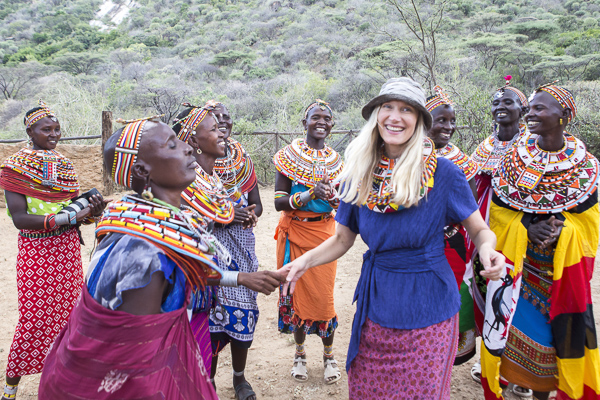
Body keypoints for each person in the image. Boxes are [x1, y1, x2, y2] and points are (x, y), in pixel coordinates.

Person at [280, 78, 505, 399]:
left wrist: (487, 250)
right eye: (387, 107)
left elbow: (479, 230)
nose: (395, 116)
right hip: (377, 308)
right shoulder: (358, 175)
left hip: (430, 308)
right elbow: (342, 239)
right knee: (370, 389)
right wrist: (303, 261)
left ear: (419, 122)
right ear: (376, 116)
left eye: (406, 109)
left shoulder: (444, 174)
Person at [38, 116, 221, 399]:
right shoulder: (144, 253)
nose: (187, 147)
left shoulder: (128, 220)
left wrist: (243, 278)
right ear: (142, 170)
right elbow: (137, 368)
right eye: (171, 144)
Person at [480, 83, 600, 400]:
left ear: (564, 116)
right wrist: (527, 227)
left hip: (560, 271)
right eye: (530, 108)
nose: (530, 115)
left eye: (539, 108)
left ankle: (542, 394)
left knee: (554, 344)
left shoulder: (585, 166)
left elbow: (589, 223)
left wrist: (565, 231)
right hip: (522, 269)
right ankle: (521, 386)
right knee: (520, 340)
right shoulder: (512, 160)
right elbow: (499, 215)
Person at [173, 103, 281, 400]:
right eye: (214, 129)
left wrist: (238, 214)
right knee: (202, 342)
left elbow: (243, 205)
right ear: (194, 141)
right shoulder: (189, 183)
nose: (222, 133)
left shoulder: (210, 180)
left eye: (222, 127)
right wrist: (241, 277)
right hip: (201, 286)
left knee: (218, 335)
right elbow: (192, 250)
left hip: (224, 273)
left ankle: (230, 381)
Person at [0, 101, 106, 400]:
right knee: (33, 320)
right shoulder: (14, 167)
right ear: (30, 130)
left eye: (57, 129)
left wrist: (90, 212)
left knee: (72, 317)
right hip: (36, 251)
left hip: (67, 249)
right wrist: (65, 217)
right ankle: (10, 389)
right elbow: (20, 219)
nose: (54, 134)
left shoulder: (64, 164)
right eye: (47, 129)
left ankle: (68, 385)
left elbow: (75, 212)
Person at [273, 99, 344, 384]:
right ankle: (300, 354)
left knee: (324, 298)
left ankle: (328, 355)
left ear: (332, 125)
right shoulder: (287, 156)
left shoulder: (336, 162)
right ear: (305, 123)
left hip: (325, 236)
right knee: (296, 297)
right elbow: (279, 202)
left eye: (327, 118)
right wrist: (308, 195)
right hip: (294, 233)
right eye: (315, 117)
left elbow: (342, 204)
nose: (321, 122)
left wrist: (330, 197)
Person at [469, 76, 529, 384]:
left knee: (517, 298)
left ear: (524, 109)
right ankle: (487, 358)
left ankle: (518, 368)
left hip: (520, 235)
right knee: (486, 292)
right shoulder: (484, 147)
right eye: (496, 103)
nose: (500, 107)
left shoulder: (532, 149)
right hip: (484, 233)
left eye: (508, 102)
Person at [425, 85, 479, 366]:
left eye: (452, 121)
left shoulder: (462, 162)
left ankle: (444, 358)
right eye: (441, 120)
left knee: (451, 300)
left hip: (453, 244)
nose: (449, 127)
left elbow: (470, 209)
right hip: (417, 244)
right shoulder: (405, 157)